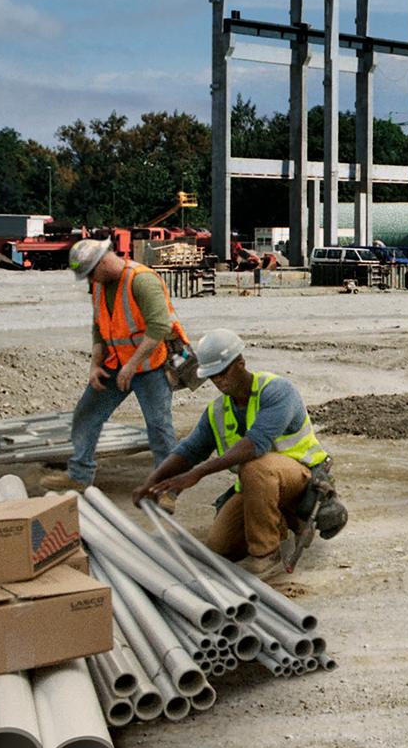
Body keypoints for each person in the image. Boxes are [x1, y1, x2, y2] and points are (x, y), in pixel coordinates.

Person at [132, 329, 343, 579]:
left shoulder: (276, 391)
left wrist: (197, 474)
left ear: (240, 363)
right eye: (213, 377)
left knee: (254, 466)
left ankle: (266, 555)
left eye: (223, 373)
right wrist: (151, 482)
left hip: (302, 480)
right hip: (261, 486)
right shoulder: (218, 411)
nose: (219, 381)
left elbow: (255, 445)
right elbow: (188, 451)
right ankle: (282, 520)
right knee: (220, 546)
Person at [43, 239, 189, 492]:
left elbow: (159, 327)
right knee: (87, 413)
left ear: (103, 261)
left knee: (158, 426)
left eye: (91, 272)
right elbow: (99, 327)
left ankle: (167, 488)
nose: (91, 279)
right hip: (117, 363)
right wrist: (95, 365)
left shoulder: (141, 280)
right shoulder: (99, 285)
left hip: (150, 365)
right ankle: (79, 475)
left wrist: (132, 365)